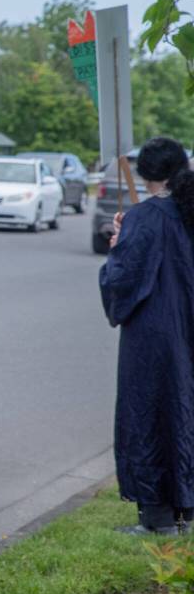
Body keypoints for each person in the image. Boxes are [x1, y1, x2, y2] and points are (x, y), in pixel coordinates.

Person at [100, 136, 194, 536]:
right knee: (185, 413)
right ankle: (185, 513)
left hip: (153, 337)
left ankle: (157, 518)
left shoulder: (145, 217)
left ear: (145, 173)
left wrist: (117, 248)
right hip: (187, 329)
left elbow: (123, 280)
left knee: (150, 417)